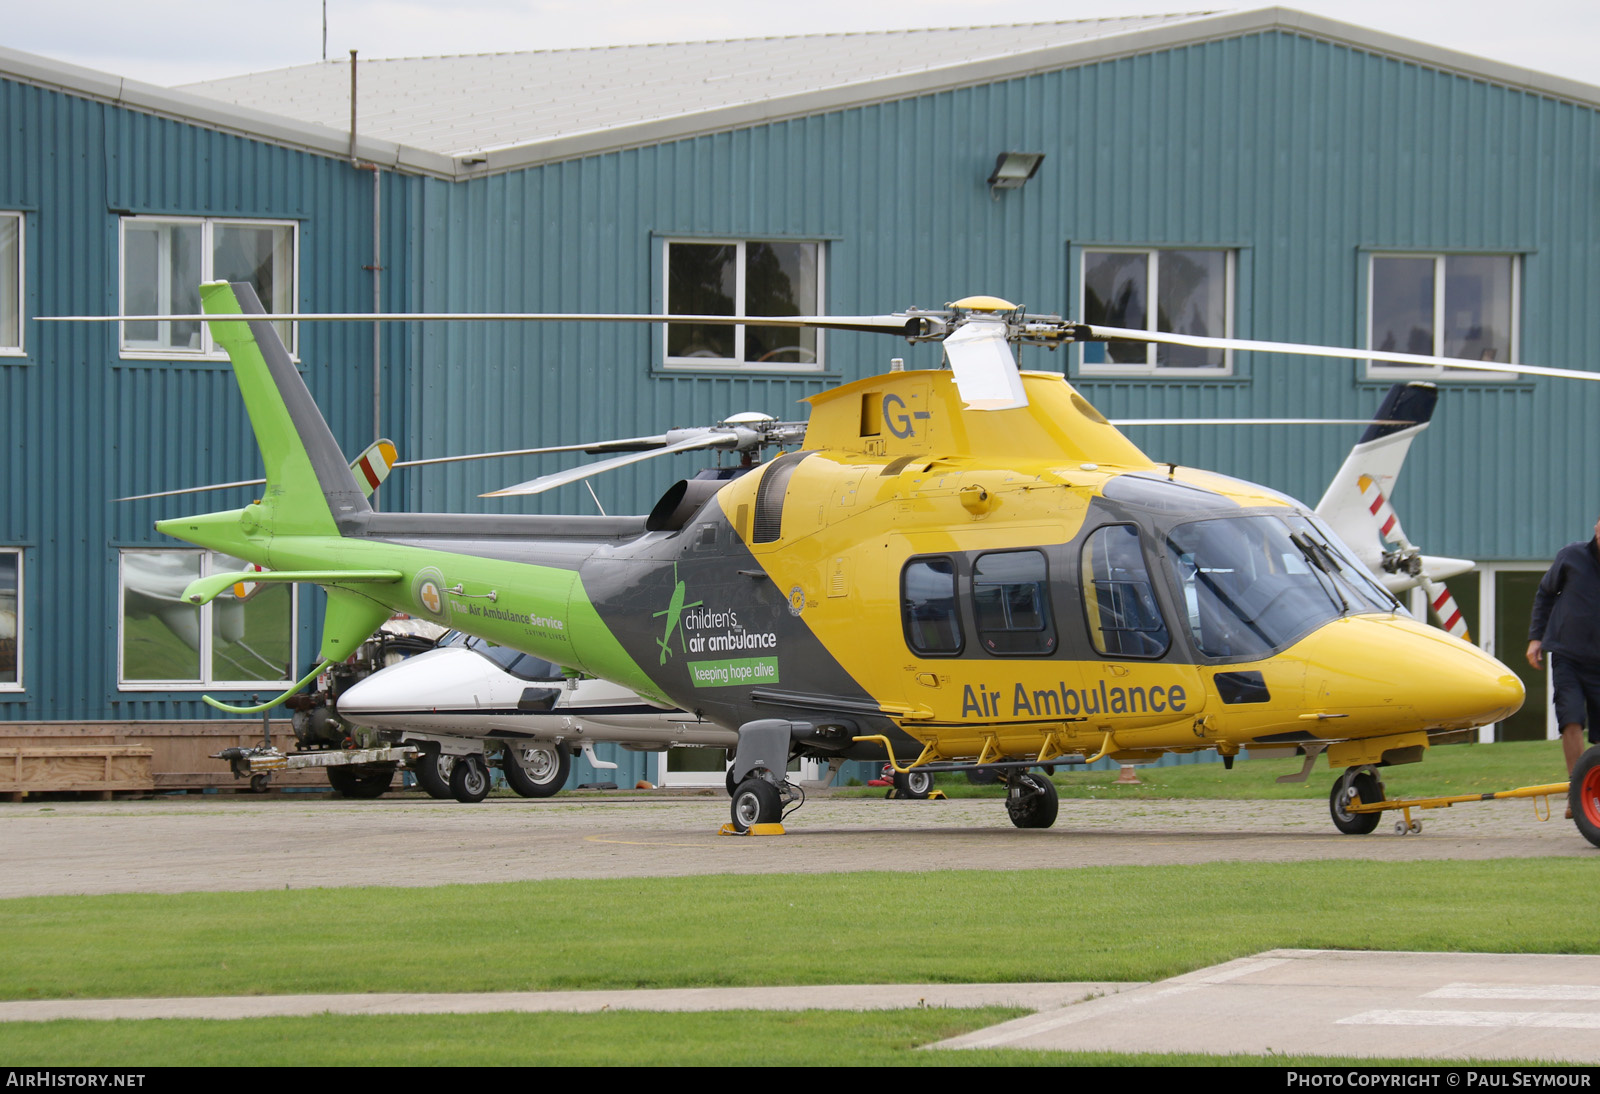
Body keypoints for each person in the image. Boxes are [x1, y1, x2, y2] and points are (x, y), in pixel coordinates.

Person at [1526, 514, 1600, 818]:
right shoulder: (1571, 557)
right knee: (1571, 720)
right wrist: (1535, 639)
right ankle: (1576, 791)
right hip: (1567, 656)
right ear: (1597, 530)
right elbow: (1544, 594)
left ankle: (1593, 794)